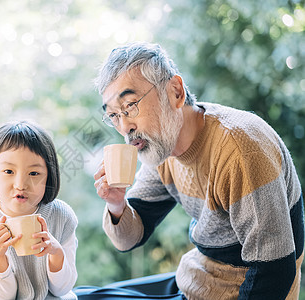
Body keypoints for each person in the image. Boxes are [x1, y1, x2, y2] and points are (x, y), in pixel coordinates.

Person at [93, 42, 304, 299]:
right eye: (114, 115)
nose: (125, 126)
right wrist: (117, 204)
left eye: (130, 105)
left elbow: (274, 273)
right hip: (196, 281)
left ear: (175, 92)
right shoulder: (162, 148)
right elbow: (129, 238)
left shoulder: (240, 150)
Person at [0, 120, 78, 300]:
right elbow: (2, 297)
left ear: (49, 177)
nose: (21, 185)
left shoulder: (62, 216)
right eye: (8, 171)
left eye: (34, 173)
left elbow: (62, 290)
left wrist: (56, 253)